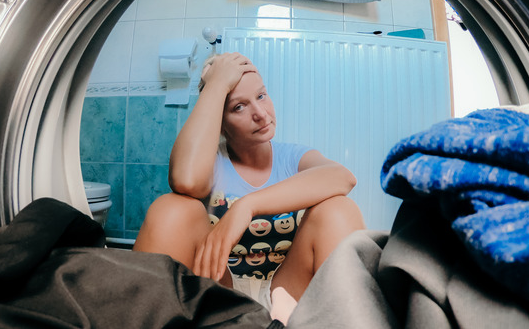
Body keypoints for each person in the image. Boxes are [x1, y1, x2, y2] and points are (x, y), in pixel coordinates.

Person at [133, 52, 365, 316]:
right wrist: (217, 85)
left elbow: (343, 177)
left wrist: (247, 206)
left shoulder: (293, 157)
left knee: (338, 209)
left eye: (262, 96)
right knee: (170, 208)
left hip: (288, 290)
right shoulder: (210, 164)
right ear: (220, 124)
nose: (259, 113)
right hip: (221, 290)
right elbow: (185, 180)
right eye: (238, 107)